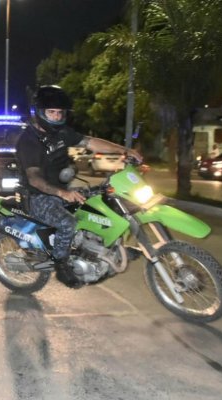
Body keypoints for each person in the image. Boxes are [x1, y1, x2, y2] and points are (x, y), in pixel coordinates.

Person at [16, 85, 142, 289]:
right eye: (51, 112)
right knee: (67, 223)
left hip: (62, 189)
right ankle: (61, 266)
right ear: (40, 113)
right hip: (38, 197)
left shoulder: (61, 133)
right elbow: (34, 179)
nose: (56, 117)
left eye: (60, 113)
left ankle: (105, 249)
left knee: (106, 200)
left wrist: (125, 151)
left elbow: (91, 143)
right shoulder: (29, 141)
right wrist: (62, 193)